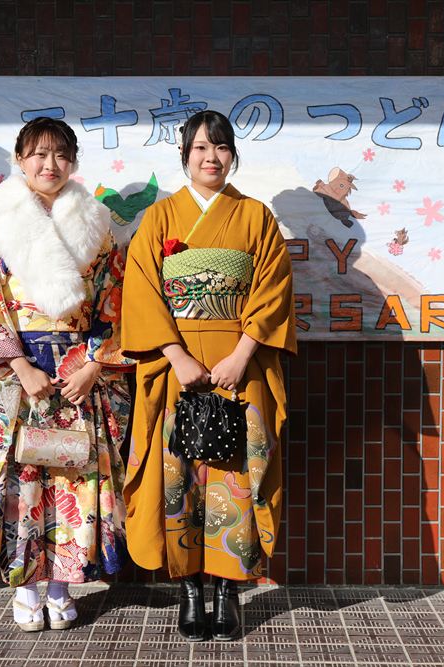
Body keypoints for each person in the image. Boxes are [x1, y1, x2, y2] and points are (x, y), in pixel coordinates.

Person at [121, 110, 296, 641]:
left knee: (235, 477)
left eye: (220, 147)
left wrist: (242, 355)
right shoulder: (159, 217)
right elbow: (142, 291)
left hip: (238, 366)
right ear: (184, 155)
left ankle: (228, 591)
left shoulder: (256, 217)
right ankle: (190, 590)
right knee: (179, 476)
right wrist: (177, 356)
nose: (210, 157)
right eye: (199, 148)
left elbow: (273, 289)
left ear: (232, 154)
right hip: (178, 367)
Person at [0, 117, 132, 632]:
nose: (49, 164)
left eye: (60, 154)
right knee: (22, 477)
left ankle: (62, 584)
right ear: (19, 159)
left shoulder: (99, 229)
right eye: (37, 153)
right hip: (15, 373)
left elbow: (117, 302)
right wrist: (19, 366)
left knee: (72, 476)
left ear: (73, 162)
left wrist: (94, 366)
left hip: (79, 374)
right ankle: (25, 585)